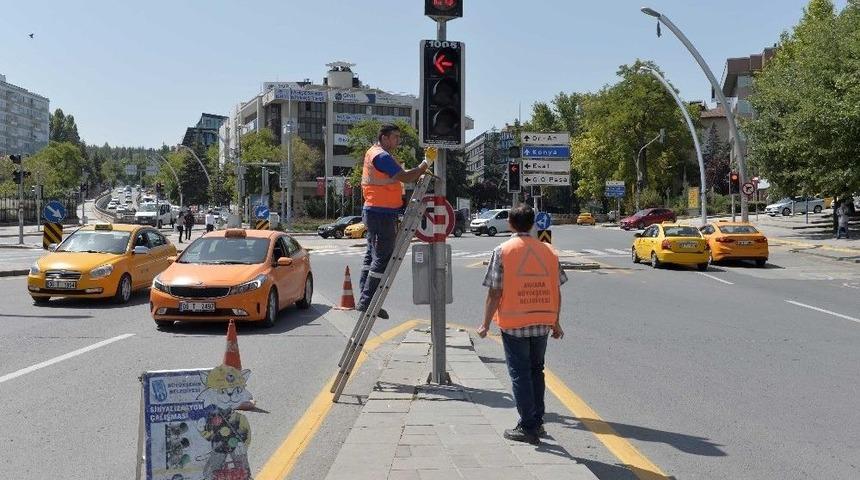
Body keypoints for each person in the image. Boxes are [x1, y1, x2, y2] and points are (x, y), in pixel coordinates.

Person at [477, 205, 566, 445]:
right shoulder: (549, 251)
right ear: (533, 224)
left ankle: (527, 426)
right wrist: (556, 322)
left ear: (511, 224)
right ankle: (537, 422)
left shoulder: (503, 250)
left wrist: (485, 324)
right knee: (537, 371)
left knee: (520, 374)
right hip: (542, 323)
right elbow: (556, 290)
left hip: (515, 324)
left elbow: (495, 292)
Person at [356, 124, 432, 319]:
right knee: (382, 258)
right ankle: (367, 302)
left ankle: (364, 299)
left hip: (375, 211)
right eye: (395, 137)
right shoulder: (381, 156)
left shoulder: (374, 153)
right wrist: (425, 164)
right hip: (380, 213)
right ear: (384, 137)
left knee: (372, 256)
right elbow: (405, 178)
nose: (398, 141)